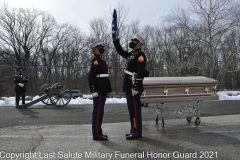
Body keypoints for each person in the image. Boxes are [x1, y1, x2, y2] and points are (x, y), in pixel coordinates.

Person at [113, 34, 147, 140]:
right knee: (132, 111)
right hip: (129, 86)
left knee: (135, 111)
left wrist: (136, 88)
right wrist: (116, 42)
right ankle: (133, 130)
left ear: (140, 43)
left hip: (133, 88)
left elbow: (140, 73)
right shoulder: (132, 53)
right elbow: (121, 52)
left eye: (134, 41)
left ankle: (136, 132)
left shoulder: (140, 55)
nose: (132, 42)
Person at [88, 40, 112, 141]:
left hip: (102, 89)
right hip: (99, 90)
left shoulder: (99, 59)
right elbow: (91, 77)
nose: (102, 49)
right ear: (96, 49)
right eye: (101, 47)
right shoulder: (96, 60)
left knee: (99, 112)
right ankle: (97, 135)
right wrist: (93, 90)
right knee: (98, 113)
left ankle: (99, 132)